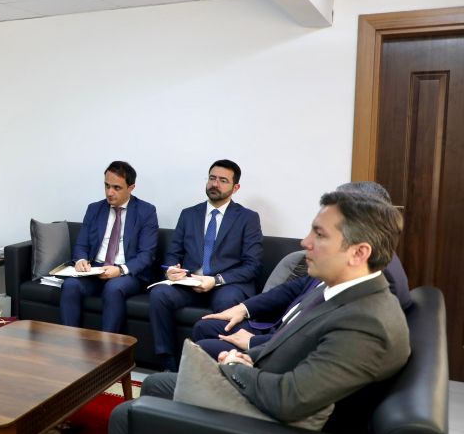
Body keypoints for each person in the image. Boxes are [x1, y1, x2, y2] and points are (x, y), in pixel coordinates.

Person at [90, 191, 410, 434]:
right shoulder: (341, 292)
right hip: (266, 382)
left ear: (359, 253)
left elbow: (291, 400)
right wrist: (251, 353)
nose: (305, 242)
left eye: (319, 234)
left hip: (274, 426)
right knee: (155, 384)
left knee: (126, 413)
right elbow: (293, 344)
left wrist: (235, 366)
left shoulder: (367, 321)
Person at [191, 181, 414, 358]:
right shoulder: (342, 259)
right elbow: (296, 287)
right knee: (205, 327)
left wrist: (253, 342)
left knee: (202, 350)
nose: (306, 242)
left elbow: (319, 337)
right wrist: (244, 308)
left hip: (285, 344)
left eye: (321, 234)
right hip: (279, 326)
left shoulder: (375, 276)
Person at [148, 159, 263, 370]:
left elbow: (252, 265)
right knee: (159, 294)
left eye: (223, 180)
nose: (215, 184)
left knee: (228, 300)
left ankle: (216, 367)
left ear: (235, 187)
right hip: (191, 282)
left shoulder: (248, 218)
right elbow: (173, 254)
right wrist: (171, 271)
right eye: (212, 178)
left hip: (226, 284)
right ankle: (168, 363)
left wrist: (216, 280)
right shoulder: (189, 214)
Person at [60, 161, 158, 333]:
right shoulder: (94, 209)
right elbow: (81, 244)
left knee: (113, 288)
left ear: (131, 188)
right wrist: (81, 260)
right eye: (106, 186)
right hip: (95, 270)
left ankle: (108, 346)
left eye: (116, 188)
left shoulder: (146, 211)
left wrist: (120, 270)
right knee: (70, 285)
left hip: (127, 273)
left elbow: (146, 255)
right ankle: (70, 342)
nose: (109, 192)